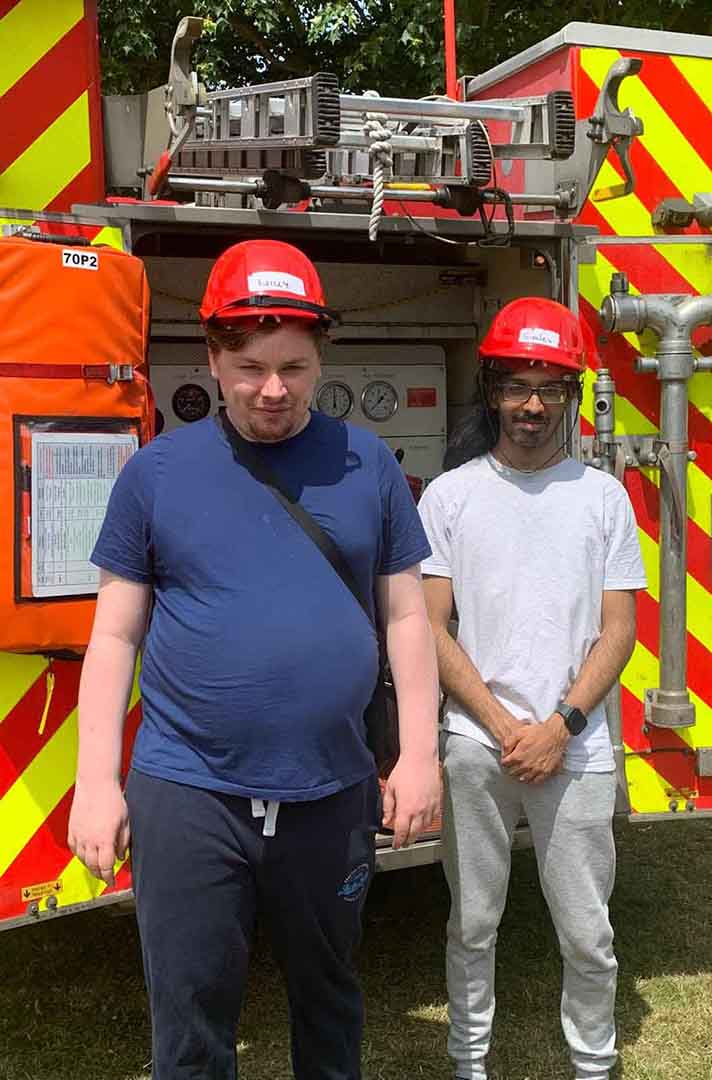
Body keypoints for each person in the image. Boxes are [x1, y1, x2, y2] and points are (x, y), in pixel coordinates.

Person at [68, 239, 440, 1080]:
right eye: (250, 368)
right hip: (189, 794)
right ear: (212, 357)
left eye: (293, 367)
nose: (273, 389)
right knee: (191, 1020)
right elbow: (115, 637)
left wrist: (418, 755)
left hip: (331, 792)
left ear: (320, 359)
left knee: (330, 1002)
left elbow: (407, 617)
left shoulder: (368, 465)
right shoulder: (154, 474)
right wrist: (95, 782)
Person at [418, 297, 647, 1080]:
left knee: (588, 933)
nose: (533, 405)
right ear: (492, 392)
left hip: (575, 749)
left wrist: (560, 726)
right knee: (472, 923)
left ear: (573, 394)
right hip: (476, 746)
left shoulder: (603, 498)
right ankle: (469, 1063)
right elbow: (431, 627)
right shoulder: (449, 497)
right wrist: (499, 723)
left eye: (551, 387)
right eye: (517, 385)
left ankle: (594, 1064)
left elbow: (619, 630)